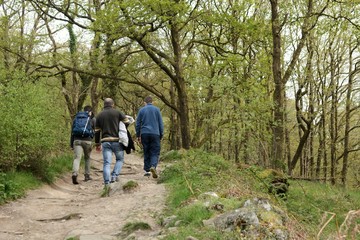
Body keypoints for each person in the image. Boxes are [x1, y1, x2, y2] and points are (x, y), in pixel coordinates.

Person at [95, 98, 127, 196]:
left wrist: (97, 144)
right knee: (120, 159)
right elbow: (126, 121)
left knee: (107, 162)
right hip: (117, 141)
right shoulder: (117, 112)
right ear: (112, 104)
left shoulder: (99, 115)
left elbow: (97, 131)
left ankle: (106, 183)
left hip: (105, 141)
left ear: (104, 105)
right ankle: (114, 176)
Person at [135, 96, 164, 178]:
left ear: (145, 102)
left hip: (144, 133)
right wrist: (161, 135)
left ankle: (147, 170)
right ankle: (153, 166)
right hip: (155, 133)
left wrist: (138, 135)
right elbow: (160, 124)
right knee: (155, 151)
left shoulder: (141, 110)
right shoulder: (157, 110)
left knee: (146, 151)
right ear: (152, 102)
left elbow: (138, 124)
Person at [70, 105, 95, 185]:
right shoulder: (91, 119)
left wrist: (71, 144)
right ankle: (87, 175)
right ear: (90, 111)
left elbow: (72, 132)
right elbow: (95, 130)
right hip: (87, 141)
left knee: (77, 158)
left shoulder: (76, 118)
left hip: (77, 140)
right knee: (87, 158)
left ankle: (75, 173)